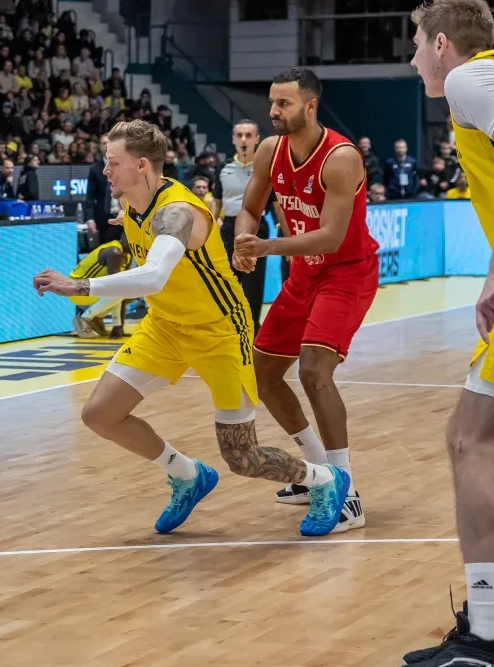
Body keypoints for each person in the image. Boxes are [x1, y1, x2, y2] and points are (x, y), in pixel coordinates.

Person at [32, 120, 350, 537]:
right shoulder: (131, 201)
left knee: (243, 458)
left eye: (112, 163)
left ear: (141, 165)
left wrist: (79, 286)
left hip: (219, 330)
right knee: (99, 414)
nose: (104, 171)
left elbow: (153, 276)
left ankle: (324, 480)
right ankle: (186, 474)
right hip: (165, 325)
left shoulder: (177, 212)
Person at [397, 0, 494, 667]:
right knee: (469, 438)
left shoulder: (467, 79)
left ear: (441, 44)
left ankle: (489, 638)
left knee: (472, 443)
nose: (410, 61)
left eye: (414, 44)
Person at [232, 68, 376, 532]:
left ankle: (347, 491)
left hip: (346, 273)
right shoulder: (270, 151)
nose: (273, 112)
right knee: (264, 373)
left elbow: (332, 238)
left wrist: (268, 248)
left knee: (315, 371)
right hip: (304, 273)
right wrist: (242, 240)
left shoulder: (341, 158)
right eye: (271, 103)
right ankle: (318, 473)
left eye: (284, 104)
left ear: (310, 106)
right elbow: (250, 208)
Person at [216, 121, 268, 326]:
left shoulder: (264, 168)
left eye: (248, 135)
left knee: (253, 285)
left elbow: (277, 204)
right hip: (228, 228)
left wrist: (288, 234)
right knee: (226, 283)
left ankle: (253, 330)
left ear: (257, 139)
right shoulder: (224, 168)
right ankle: (227, 329)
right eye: (239, 135)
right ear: (233, 139)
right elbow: (217, 202)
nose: (243, 139)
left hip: (257, 227)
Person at [69, 236, 131, 339]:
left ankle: (96, 317)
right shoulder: (114, 252)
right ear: (125, 237)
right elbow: (114, 288)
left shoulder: (127, 255)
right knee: (122, 287)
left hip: (91, 289)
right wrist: (117, 325)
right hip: (76, 288)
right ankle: (84, 318)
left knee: (132, 288)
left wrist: (119, 326)